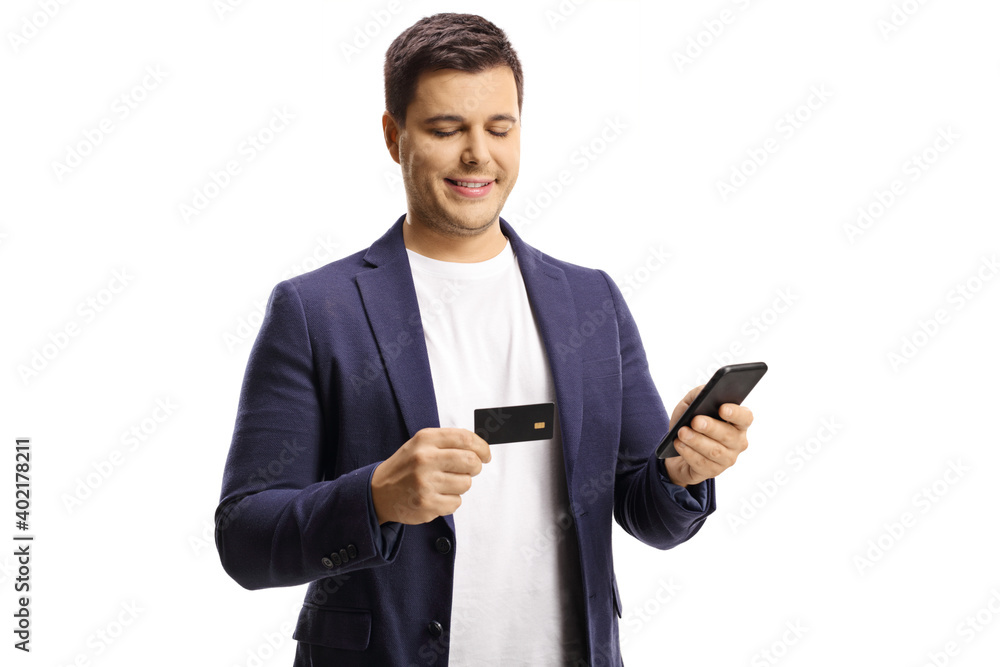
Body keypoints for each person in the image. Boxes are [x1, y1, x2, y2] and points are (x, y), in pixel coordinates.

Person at [215, 12, 754, 666]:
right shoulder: (315, 309)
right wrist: (377, 496)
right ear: (394, 136)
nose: (478, 154)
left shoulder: (592, 301)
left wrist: (681, 470)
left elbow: (648, 511)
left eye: (499, 128)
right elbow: (245, 537)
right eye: (447, 129)